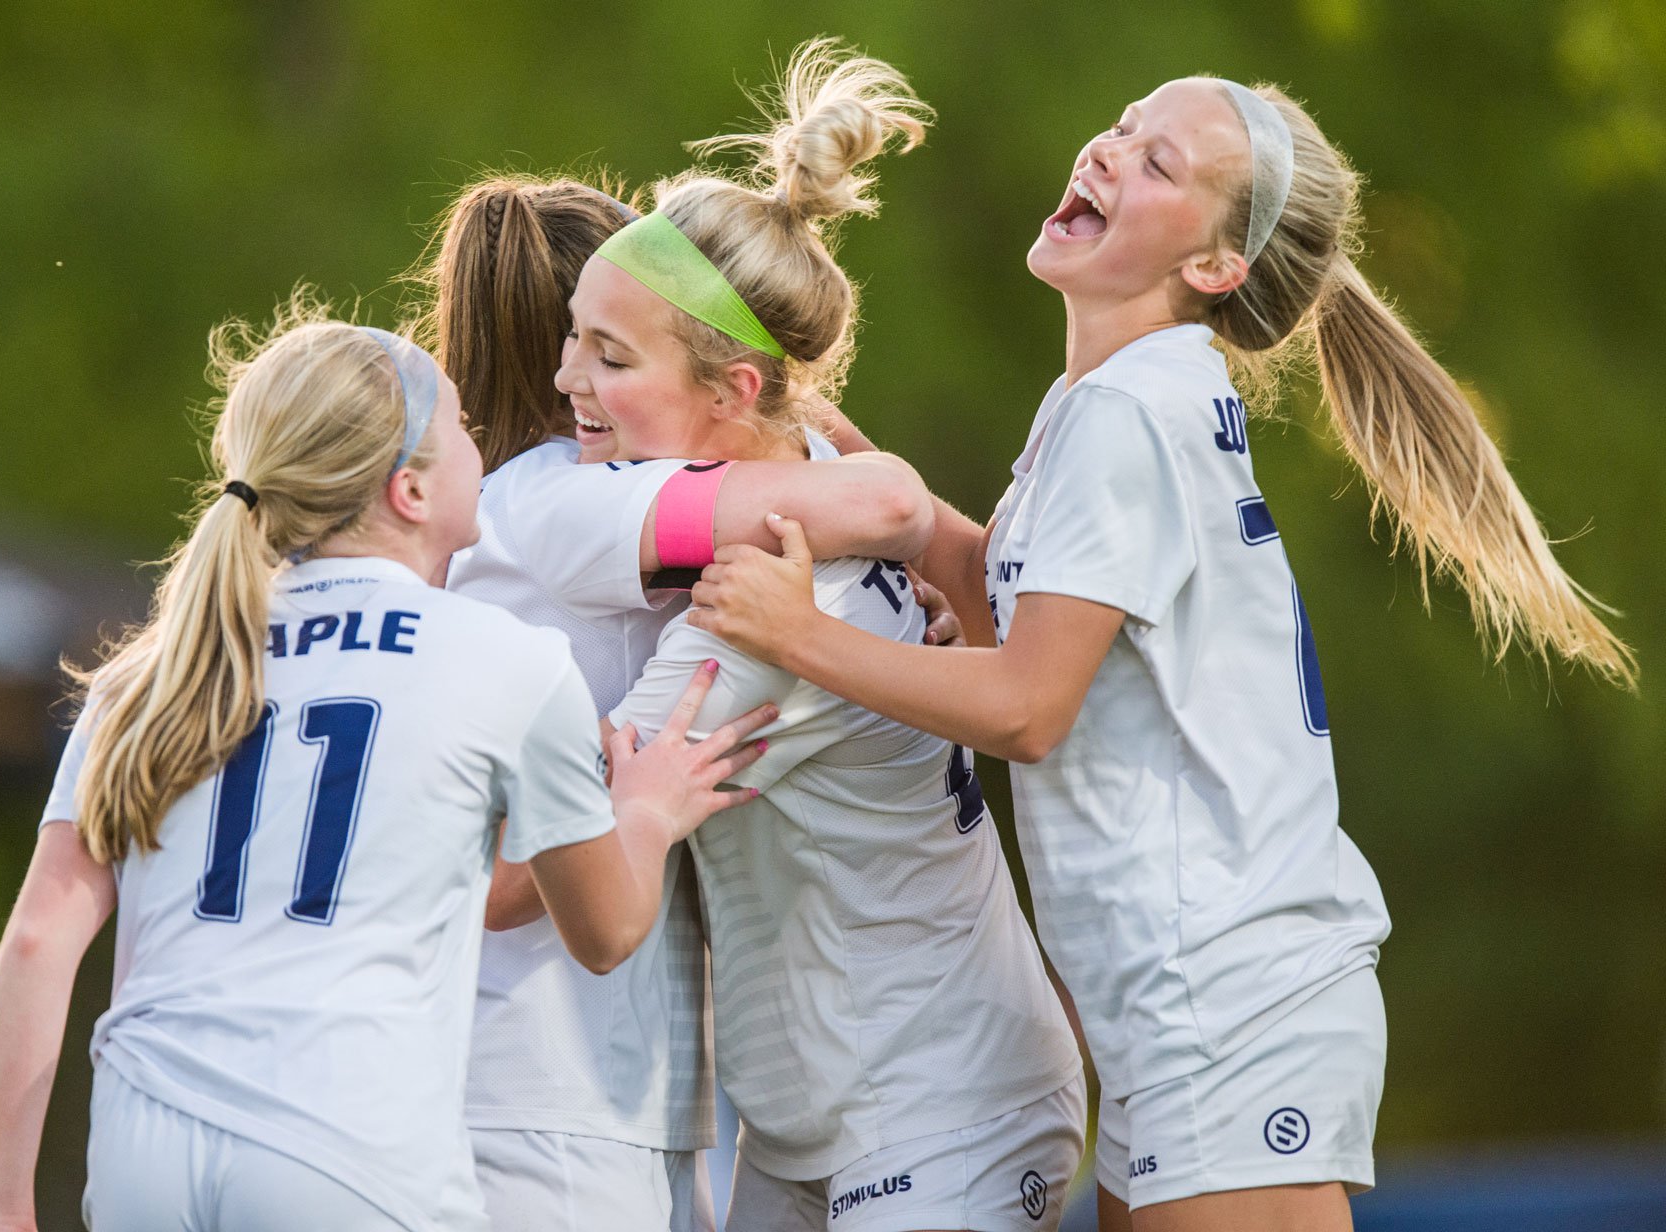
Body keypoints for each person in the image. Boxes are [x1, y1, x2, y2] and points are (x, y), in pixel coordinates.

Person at [686, 77, 1637, 1232]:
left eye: (1158, 164)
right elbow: (1019, 616)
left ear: (1214, 267)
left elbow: (1028, 704)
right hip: (1176, 1003)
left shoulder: (1126, 413)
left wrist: (799, 634)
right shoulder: (1102, 398)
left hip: (1230, 999)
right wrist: (862, 481)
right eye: (1125, 126)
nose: (1109, 149)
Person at [0, 299, 776, 1232]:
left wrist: (5, 1209)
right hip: (345, 1144)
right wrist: (647, 808)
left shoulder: (154, 673)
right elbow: (604, 931)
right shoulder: (505, 660)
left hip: (142, 1147)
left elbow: (38, 940)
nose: (484, 442)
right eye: (462, 429)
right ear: (409, 490)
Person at [522, 41, 1087, 1231]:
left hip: (946, 1107)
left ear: (732, 391)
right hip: (804, 1120)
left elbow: (553, 873)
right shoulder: (815, 463)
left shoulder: (765, 605)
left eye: (610, 356)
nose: (568, 376)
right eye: (576, 334)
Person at [410, 171, 947, 1232]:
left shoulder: (474, 513)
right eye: (596, 342)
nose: (586, 370)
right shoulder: (573, 495)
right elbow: (879, 498)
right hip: (562, 1073)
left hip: (553, 1073)